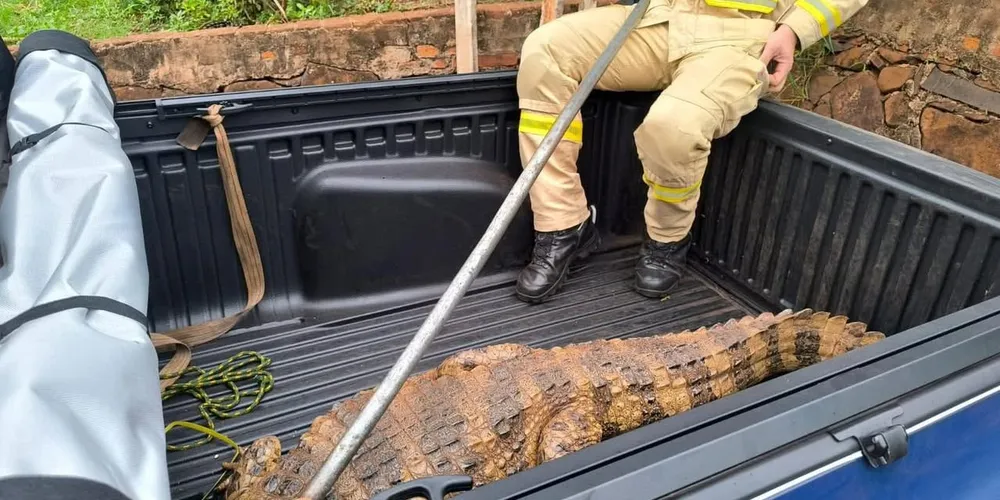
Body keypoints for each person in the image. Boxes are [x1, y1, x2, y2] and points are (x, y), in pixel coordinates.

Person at [514, 0, 868, 303]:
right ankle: (563, 225)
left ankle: (667, 239)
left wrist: (793, 29)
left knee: (673, 127)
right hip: (660, 17)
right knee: (546, 50)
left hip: (742, 37)